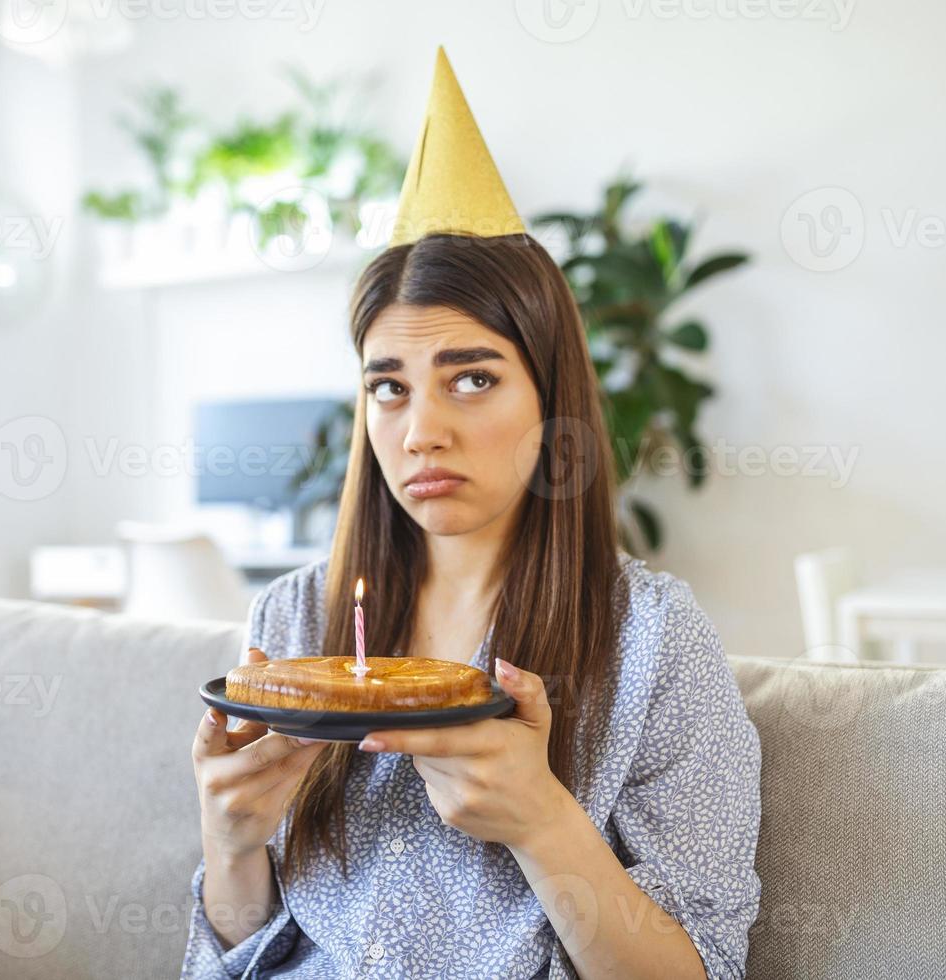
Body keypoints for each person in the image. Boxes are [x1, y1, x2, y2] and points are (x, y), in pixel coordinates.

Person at [184, 46, 761, 980]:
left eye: (474, 379)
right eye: (389, 387)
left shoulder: (654, 641)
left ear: (551, 397)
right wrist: (231, 839)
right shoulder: (290, 625)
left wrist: (543, 821)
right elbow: (237, 950)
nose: (421, 433)